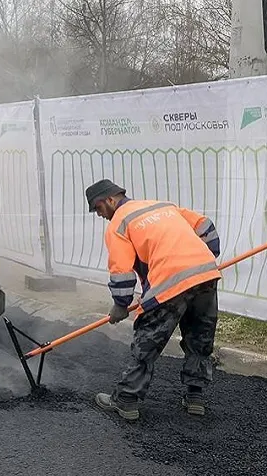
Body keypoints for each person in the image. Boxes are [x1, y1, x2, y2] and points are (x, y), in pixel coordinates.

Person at [86, 179, 221, 421]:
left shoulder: (119, 223)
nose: (100, 215)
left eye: (98, 208)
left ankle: (126, 400)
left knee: (147, 343)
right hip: (205, 275)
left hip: (169, 282)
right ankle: (195, 397)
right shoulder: (162, 206)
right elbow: (206, 226)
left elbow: (121, 270)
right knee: (200, 338)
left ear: (110, 199)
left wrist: (120, 305)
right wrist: (202, 257)